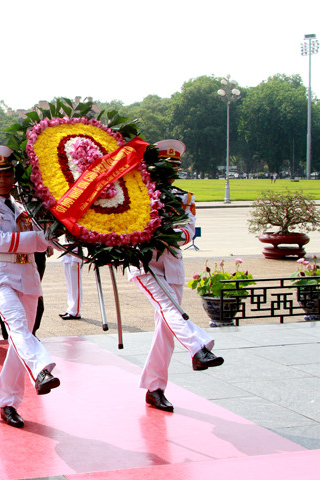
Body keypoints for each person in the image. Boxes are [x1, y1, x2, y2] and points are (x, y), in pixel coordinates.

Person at [129, 139, 223, 413]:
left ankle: (154, 388)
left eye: (174, 167)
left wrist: (160, 234)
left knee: (166, 329)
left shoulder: (185, 197)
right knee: (171, 310)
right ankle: (199, 347)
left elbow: (188, 231)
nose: (170, 172)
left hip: (171, 263)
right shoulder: (139, 193)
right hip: (145, 264)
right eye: (164, 166)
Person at [0, 145, 60, 429]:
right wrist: (37, 238)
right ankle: (42, 370)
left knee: (20, 340)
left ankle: (8, 403)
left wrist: (58, 229)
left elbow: (47, 242)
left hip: (28, 275)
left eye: (8, 174)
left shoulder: (26, 209)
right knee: (18, 327)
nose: (4, 181)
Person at [60, 245, 83, 320]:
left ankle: (75, 311)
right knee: (70, 286)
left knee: (75, 286)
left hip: (74, 257)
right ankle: (71, 309)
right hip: (67, 256)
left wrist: (75, 259)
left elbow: (78, 243)